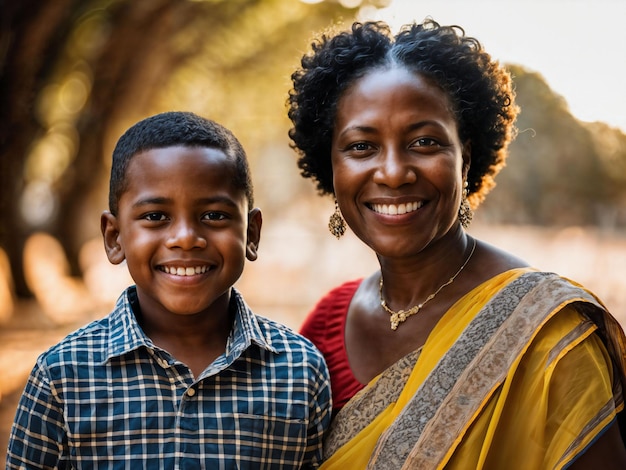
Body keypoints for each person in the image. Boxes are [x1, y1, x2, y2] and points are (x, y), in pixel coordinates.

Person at [287, 19, 626, 469]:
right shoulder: (326, 323)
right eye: (361, 146)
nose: (392, 172)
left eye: (424, 142)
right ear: (330, 166)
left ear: (466, 158)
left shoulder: (546, 333)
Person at [6, 111, 332, 469]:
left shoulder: (299, 371)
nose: (185, 238)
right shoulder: (62, 376)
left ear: (251, 234)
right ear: (114, 238)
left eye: (214, 215)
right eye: (156, 217)